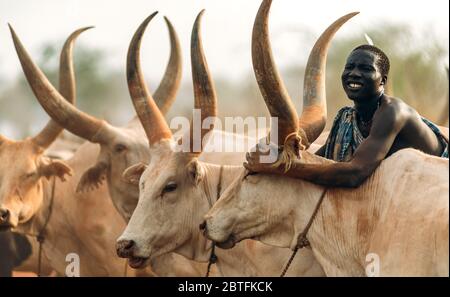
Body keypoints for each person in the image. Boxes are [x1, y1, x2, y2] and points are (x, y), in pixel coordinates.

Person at [245, 45, 449, 188]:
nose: (354, 73)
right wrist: (277, 154)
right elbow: (321, 162)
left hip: (437, 192)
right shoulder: (347, 118)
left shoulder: (393, 112)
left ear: (382, 81)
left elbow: (355, 174)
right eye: (349, 67)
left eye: (366, 69)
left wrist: (282, 167)